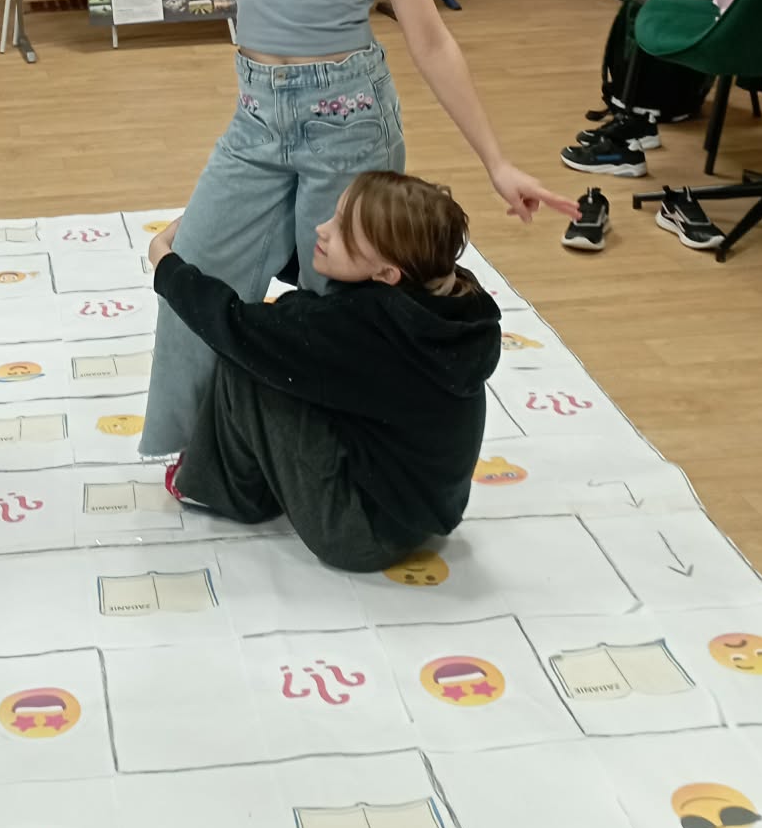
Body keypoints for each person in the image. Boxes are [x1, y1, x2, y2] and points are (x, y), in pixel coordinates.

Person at [104, 0, 574, 456]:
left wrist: (497, 161)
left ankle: (326, 455)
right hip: (258, 116)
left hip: (347, 122)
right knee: (193, 269)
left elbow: (430, 40)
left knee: (337, 304)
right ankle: (199, 451)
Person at [147, 171, 501, 569]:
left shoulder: (363, 330)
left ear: (387, 274)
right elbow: (328, 290)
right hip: (419, 511)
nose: (323, 229)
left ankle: (222, 492)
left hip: (361, 534)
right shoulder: (446, 299)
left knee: (251, 362)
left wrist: (166, 267)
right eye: (336, 214)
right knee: (290, 335)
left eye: (344, 230)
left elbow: (237, 326)